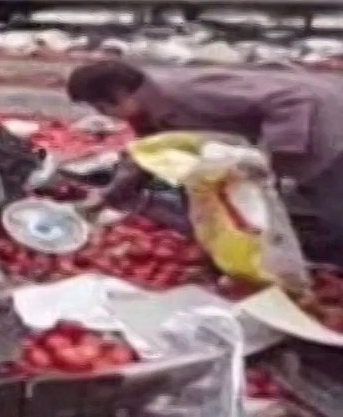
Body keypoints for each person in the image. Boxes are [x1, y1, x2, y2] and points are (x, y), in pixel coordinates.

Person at [66, 59, 343, 267]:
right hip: (290, 130)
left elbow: (293, 99)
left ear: (122, 92)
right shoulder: (149, 111)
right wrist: (108, 197)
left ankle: (330, 256)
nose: (107, 117)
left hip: (324, 123)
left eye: (103, 108)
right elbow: (147, 156)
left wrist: (274, 152)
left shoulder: (186, 92)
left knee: (332, 198)